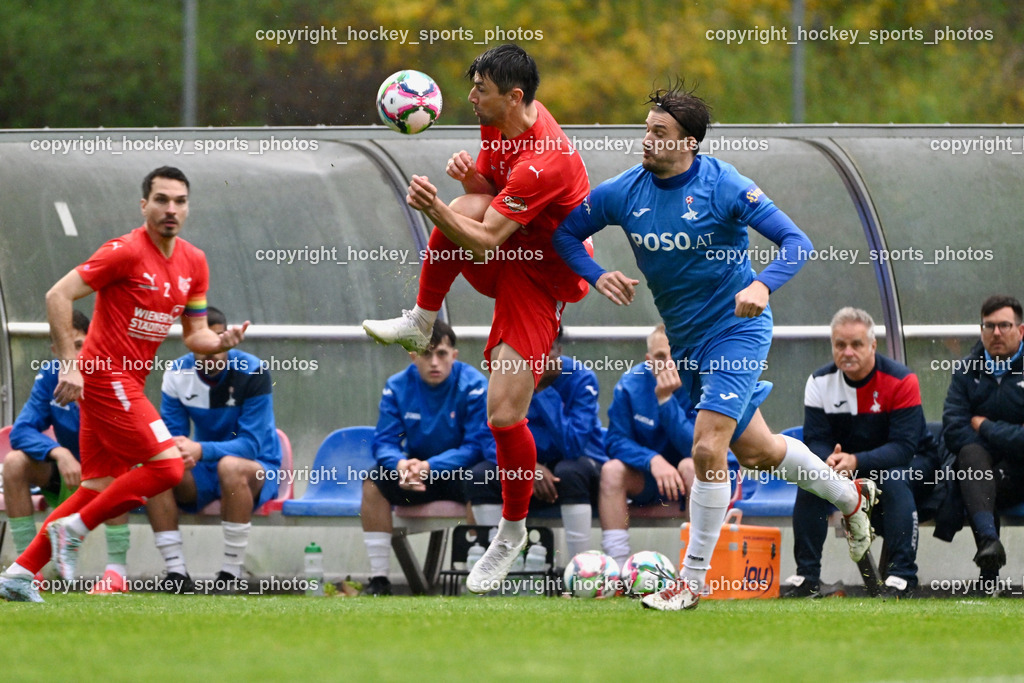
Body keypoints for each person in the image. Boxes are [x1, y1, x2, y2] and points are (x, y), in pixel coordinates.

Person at [553, 80, 877, 611]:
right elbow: (565, 234)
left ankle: (691, 582)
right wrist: (595, 273)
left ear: (689, 143)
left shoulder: (724, 185)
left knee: (707, 449)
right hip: (687, 343)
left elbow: (797, 242)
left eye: (660, 133)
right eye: (647, 130)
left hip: (737, 330)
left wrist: (762, 284)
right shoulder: (623, 192)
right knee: (760, 450)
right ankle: (850, 496)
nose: (648, 140)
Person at [361, 44, 591, 593]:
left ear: (514, 96)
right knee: (465, 206)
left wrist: (433, 206)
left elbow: (486, 237)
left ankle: (510, 533)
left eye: (480, 89)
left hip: (544, 278)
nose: (470, 98)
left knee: (504, 415)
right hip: (509, 251)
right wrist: (469, 186)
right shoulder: (497, 122)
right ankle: (422, 321)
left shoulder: (547, 158)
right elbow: (491, 204)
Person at [0, 166, 247, 603]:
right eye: (162, 200)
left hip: (128, 379)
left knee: (97, 485)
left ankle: (18, 574)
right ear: (144, 205)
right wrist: (70, 365)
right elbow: (58, 295)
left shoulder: (194, 261)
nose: (171, 209)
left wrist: (219, 342)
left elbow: (195, 334)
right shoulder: (125, 251)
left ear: (188, 208)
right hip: (102, 374)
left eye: (180, 201)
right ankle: (75, 531)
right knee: (168, 468)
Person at [784, 307, 934, 599]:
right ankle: (807, 578)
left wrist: (855, 461)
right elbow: (815, 439)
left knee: (892, 479)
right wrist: (827, 459)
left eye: (856, 344)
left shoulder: (902, 380)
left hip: (912, 463)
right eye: (840, 345)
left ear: (873, 346)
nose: (848, 352)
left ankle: (902, 577)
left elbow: (904, 448)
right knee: (810, 479)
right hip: (850, 465)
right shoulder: (818, 382)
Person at [146, 306, 280, 595]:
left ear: (227, 337)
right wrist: (177, 451)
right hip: (205, 466)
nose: (212, 349)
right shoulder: (176, 373)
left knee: (230, 466)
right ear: (189, 340)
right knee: (157, 467)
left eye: (218, 338)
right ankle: (176, 573)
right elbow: (173, 437)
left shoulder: (253, 371)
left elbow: (250, 445)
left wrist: (199, 449)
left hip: (256, 465)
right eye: (203, 341)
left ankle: (231, 574)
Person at [4, 310, 132, 595]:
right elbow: (21, 431)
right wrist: (59, 453)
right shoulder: (51, 375)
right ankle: (27, 571)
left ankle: (116, 573)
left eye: (78, 345)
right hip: (67, 476)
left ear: (92, 341)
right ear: (54, 350)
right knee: (14, 463)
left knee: (121, 463)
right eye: (64, 347)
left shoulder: (112, 373)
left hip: (106, 476)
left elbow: (129, 435)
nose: (73, 355)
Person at [362, 320, 490, 596]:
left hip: (459, 473)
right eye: (425, 353)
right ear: (413, 355)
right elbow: (384, 442)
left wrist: (431, 467)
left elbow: (475, 447)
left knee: (481, 481)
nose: (434, 362)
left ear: (454, 355)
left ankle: (476, 577)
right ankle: (379, 581)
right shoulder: (396, 386)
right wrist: (400, 465)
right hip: (415, 476)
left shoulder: (474, 385)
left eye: (441, 354)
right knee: (373, 483)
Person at [467, 328, 605, 561]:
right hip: (527, 470)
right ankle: (503, 564)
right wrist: (528, 468)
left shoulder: (582, 378)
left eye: (543, 349)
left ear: (558, 350)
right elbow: (488, 438)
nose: (534, 357)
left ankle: (580, 566)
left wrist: (539, 388)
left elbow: (572, 444)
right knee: (480, 475)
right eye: (527, 350)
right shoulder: (505, 377)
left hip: (573, 472)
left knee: (570, 471)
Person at [600, 324, 708, 570]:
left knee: (691, 466)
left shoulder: (700, 383)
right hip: (647, 480)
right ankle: (618, 570)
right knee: (611, 470)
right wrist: (652, 461)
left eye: (674, 354)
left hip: (687, 482)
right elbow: (615, 441)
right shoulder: (630, 383)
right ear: (649, 361)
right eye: (660, 357)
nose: (668, 363)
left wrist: (665, 400)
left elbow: (696, 448)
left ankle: (696, 570)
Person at [942, 294, 1024, 593]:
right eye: (989, 326)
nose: (996, 333)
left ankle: (988, 576)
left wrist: (986, 427)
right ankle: (990, 544)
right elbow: (953, 429)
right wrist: (1003, 440)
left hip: (1020, 472)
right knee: (971, 457)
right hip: (983, 474)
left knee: (975, 476)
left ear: (1021, 330)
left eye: (1004, 325)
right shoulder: (966, 371)